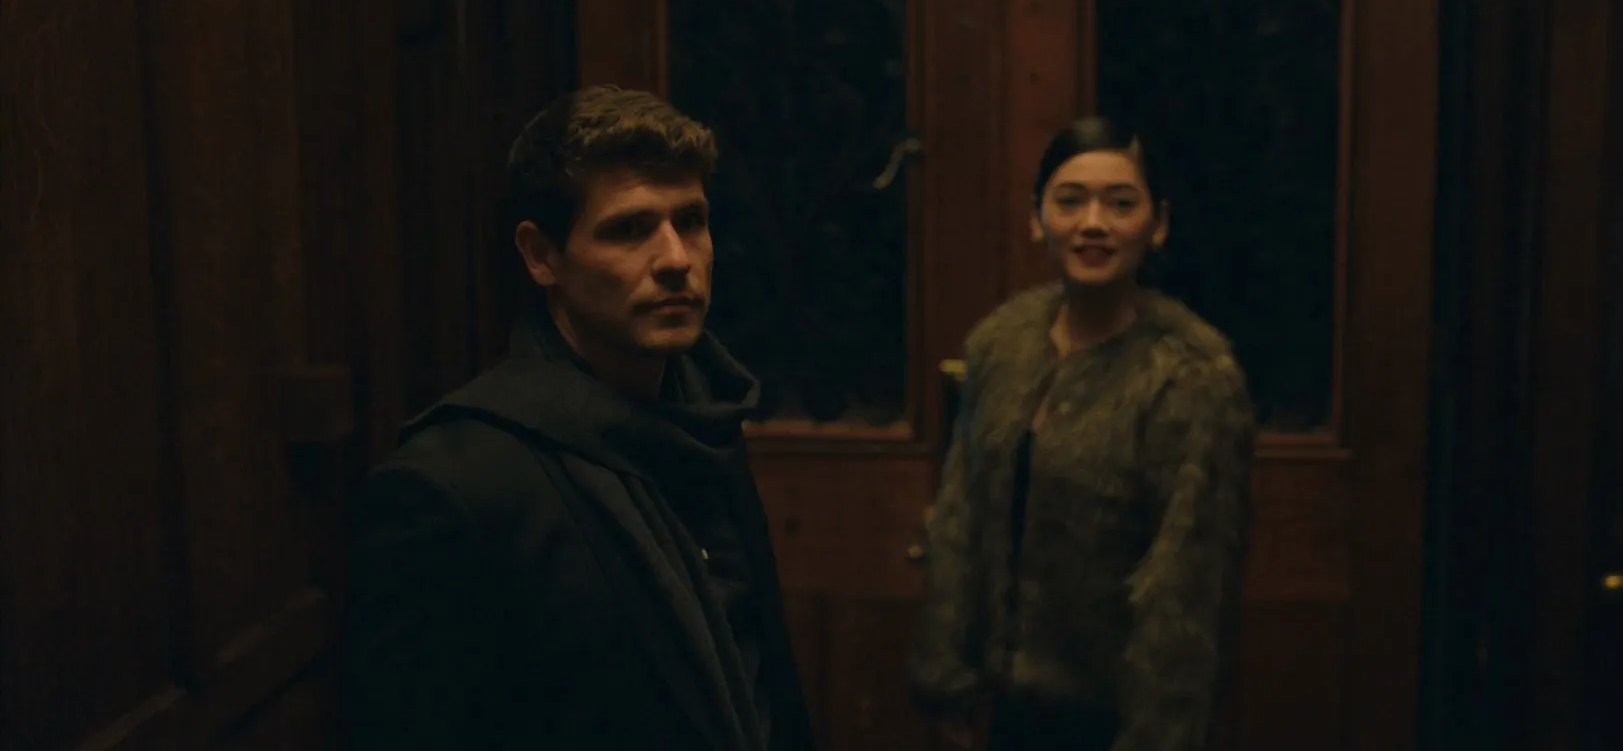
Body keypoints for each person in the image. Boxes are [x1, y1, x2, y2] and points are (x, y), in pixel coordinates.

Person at [343, 86, 815, 751]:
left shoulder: (705, 417)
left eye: (691, 221)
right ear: (542, 256)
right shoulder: (452, 488)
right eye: (629, 230)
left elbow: (757, 675)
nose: (676, 259)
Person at [907, 117, 1257, 751]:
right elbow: (961, 518)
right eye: (1070, 201)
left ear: (1157, 224)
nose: (1093, 223)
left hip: (1111, 715)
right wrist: (946, 674)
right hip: (1001, 705)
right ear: (1037, 218)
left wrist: (1159, 733)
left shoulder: (1190, 377)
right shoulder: (1002, 344)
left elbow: (1188, 588)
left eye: (1120, 204)